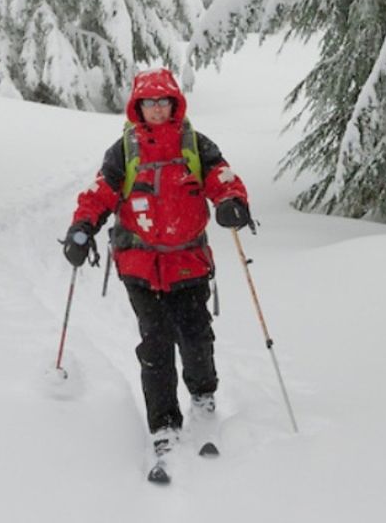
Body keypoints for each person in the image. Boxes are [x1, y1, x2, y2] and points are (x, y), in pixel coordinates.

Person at [61, 67, 253, 459]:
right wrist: (82, 227)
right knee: (156, 344)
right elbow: (100, 193)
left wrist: (232, 201)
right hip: (140, 267)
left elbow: (222, 176)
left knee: (197, 335)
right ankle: (163, 423)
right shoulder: (124, 151)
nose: (157, 109)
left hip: (189, 263)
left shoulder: (195, 144)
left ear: (174, 104)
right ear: (138, 106)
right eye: (149, 103)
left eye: (163, 102)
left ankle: (203, 395)